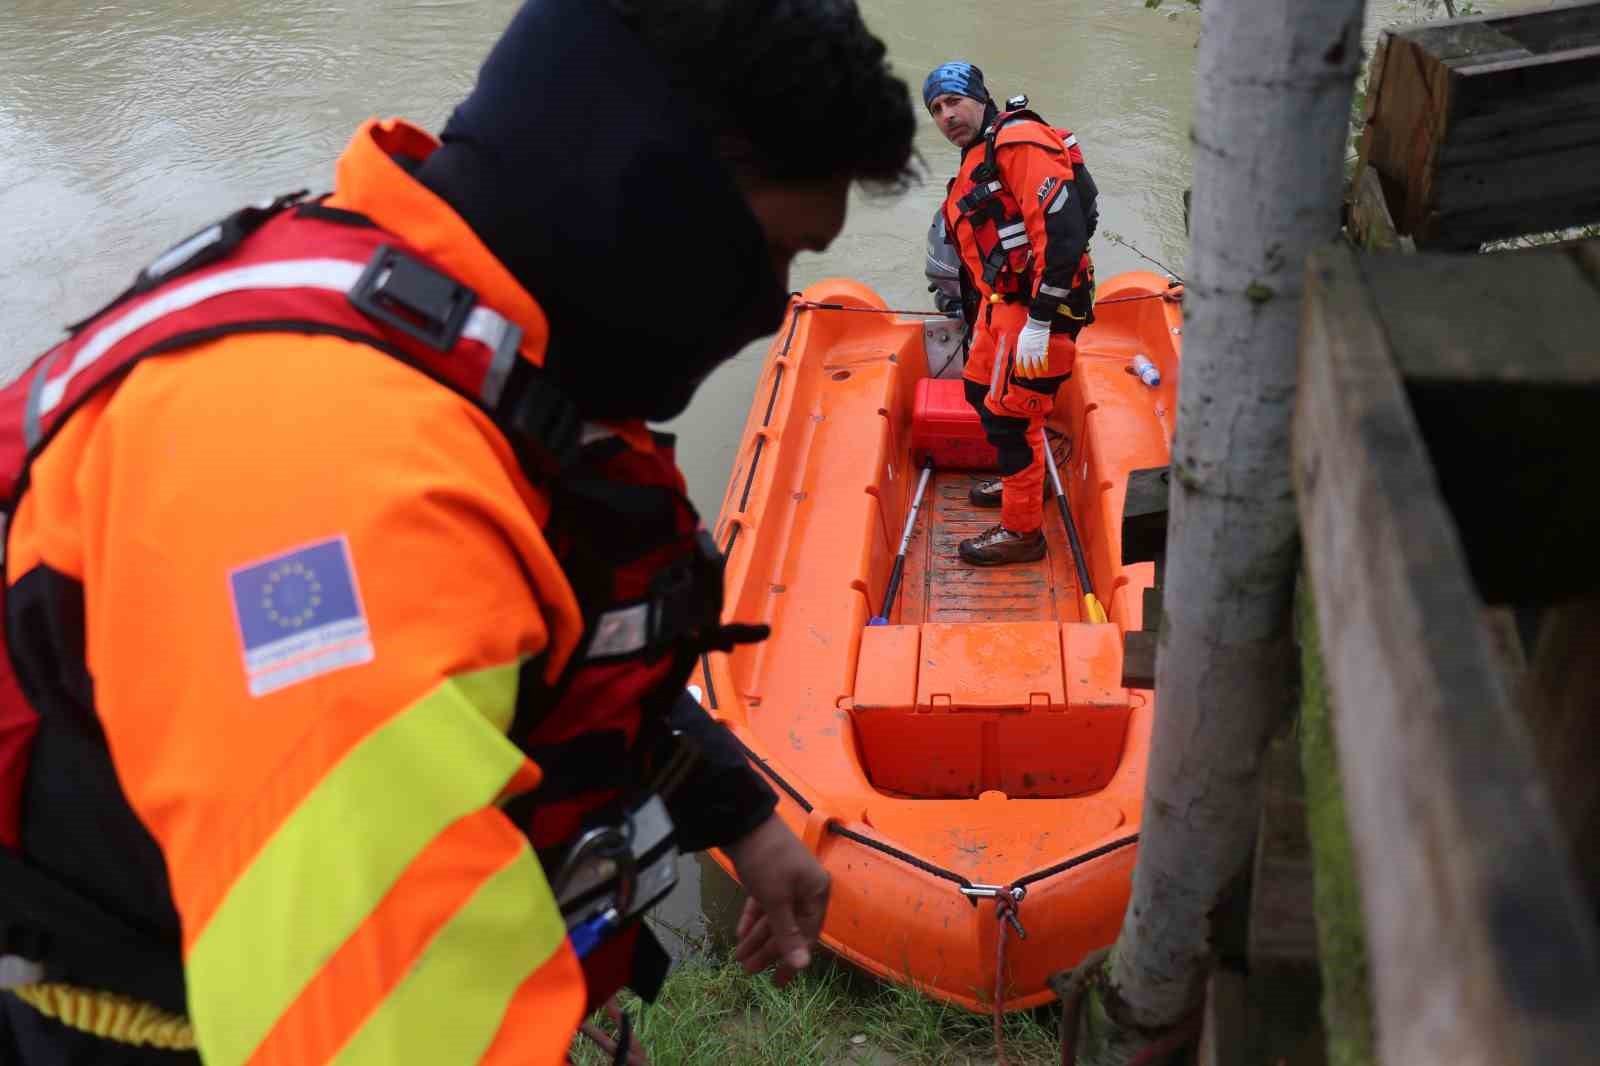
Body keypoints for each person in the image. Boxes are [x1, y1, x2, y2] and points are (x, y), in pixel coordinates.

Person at [0, 1, 917, 1063]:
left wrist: (732, 806)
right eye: (771, 255)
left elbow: (521, 652)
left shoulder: (443, 336)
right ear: (651, 192)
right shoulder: (337, 483)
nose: (771, 307)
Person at [925, 61, 1098, 566]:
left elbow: (1062, 233)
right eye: (936, 108)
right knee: (981, 393)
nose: (947, 115)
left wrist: (1043, 320)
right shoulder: (978, 157)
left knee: (1012, 424)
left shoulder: (1017, 143)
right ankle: (1025, 482)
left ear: (981, 97)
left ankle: (1023, 533)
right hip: (1001, 310)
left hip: (1039, 312)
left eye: (955, 100)